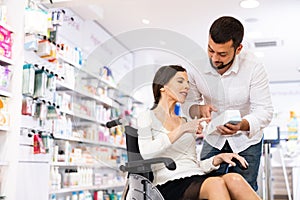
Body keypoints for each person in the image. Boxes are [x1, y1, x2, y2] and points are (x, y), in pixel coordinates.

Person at [137, 65, 261, 200]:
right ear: (162, 86)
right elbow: (147, 153)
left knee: (235, 179)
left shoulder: (184, 121)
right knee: (215, 183)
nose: (187, 87)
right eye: (180, 81)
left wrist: (217, 159)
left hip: (195, 176)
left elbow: (193, 163)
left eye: (187, 82)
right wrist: (182, 129)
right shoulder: (147, 117)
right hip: (168, 183)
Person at [182, 16, 274, 191]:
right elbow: (189, 106)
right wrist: (200, 109)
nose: (214, 58)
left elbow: (265, 110)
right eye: (210, 50)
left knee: (244, 190)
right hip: (214, 137)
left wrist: (242, 124)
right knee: (206, 187)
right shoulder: (195, 66)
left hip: (247, 140)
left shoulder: (254, 66)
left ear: (238, 49)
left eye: (222, 54)